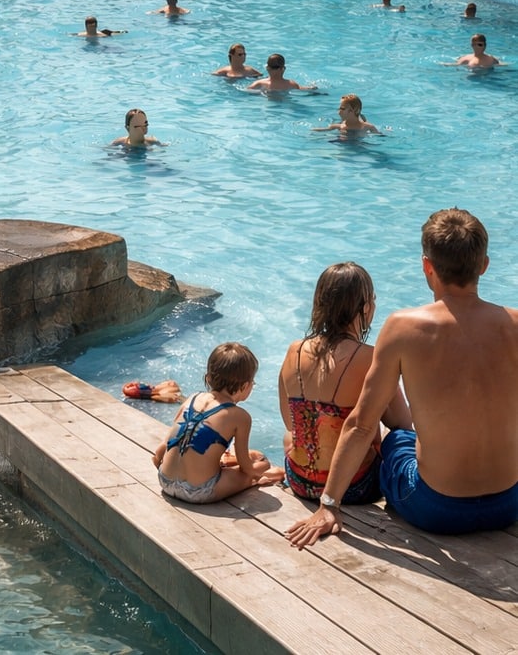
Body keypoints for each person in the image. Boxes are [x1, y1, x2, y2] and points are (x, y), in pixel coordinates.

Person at [287, 209, 518, 543]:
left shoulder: (403, 327)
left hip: (437, 509)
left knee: (397, 439)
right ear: (483, 265)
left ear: (427, 266)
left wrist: (328, 504)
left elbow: (361, 425)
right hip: (508, 503)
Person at [279, 263, 412, 504]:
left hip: (300, 482)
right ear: (366, 308)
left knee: (290, 436)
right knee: (393, 439)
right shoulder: (372, 357)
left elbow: (290, 422)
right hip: (355, 487)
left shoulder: (293, 351)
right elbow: (402, 424)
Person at [151, 342, 283, 504]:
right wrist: (258, 472)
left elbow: (160, 452)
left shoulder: (192, 399)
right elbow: (246, 468)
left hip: (165, 481)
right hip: (200, 491)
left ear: (208, 378)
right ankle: (260, 480)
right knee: (262, 462)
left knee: (248, 457)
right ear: (246, 385)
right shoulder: (240, 417)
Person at [313, 94, 380, 134]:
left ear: (354, 111)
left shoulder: (368, 127)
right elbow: (322, 130)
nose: (338, 112)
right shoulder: (338, 126)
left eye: (342, 109)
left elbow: (381, 137)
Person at [247, 52, 315, 92]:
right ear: (283, 69)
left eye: (275, 68)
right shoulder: (291, 84)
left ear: (267, 68)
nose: (275, 71)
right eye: (274, 67)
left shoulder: (258, 84)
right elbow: (303, 89)